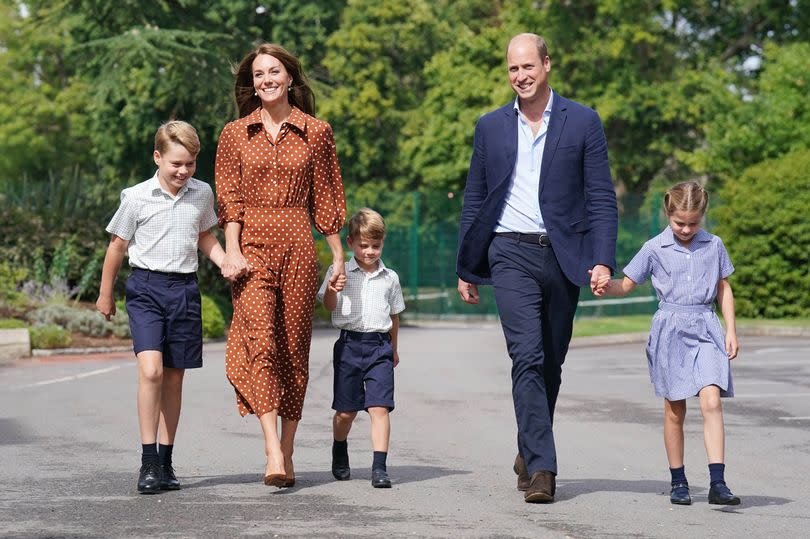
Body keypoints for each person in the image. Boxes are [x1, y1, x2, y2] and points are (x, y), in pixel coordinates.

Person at [456, 33, 618, 503]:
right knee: (525, 355)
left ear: (547, 64)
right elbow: (475, 197)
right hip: (508, 252)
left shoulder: (583, 121)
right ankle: (544, 470)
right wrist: (468, 263)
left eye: (528, 67)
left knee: (550, 360)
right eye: (512, 69)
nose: (521, 76)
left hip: (565, 256)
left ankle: (529, 448)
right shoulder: (490, 127)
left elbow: (601, 197)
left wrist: (602, 258)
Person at [215, 43, 346, 488]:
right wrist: (231, 250)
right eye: (258, 75)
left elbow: (326, 197)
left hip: (298, 246)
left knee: (293, 349)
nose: (266, 80)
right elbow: (229, 201)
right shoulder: (235, 133)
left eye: (274, 72)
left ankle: (288, 449)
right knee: (261, 342)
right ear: (251, 84)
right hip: (251, 248)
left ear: (290, 77)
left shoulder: (317, 132)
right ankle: (271, 446)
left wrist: (339, 255)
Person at [96, 120, 226, 494]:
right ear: (157, 157)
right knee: (151, 371)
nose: (183, 171)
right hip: (146, 289)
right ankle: (148, 460)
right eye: (175, 164)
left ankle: (167, 462)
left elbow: (204, 235)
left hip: (184, 289)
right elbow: (117, 246)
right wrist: (106, 294)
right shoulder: (136, 197)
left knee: (173, 376)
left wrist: (226, 261)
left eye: (190, 163)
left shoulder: (201, 194)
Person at [592, 181, 741, 506]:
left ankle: (718, 482)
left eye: (693, 223)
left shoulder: (714, 245)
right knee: (675, 409)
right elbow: (627, 285)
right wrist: (605, 285)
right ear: (668, 214)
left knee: (712, 401)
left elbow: (723, 288)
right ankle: (678, 481)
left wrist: (730, 328)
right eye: (680, 223)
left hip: (706, 327)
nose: (686, 229)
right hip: (670, 330)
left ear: (702, 217)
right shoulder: (653, 248)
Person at [317, 208, 406, 488]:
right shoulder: (339, 271)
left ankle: (379, 467)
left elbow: (394, 315)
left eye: (376, 246)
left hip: (379, 347)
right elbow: (328, 306)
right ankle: (339, 447)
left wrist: (393, 348)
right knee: (346, 412)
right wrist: (333, 288)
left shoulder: (390, 278)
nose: (369, 251)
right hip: (349, 346)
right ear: (350, 243)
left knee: (380, 408)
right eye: (363, 245)